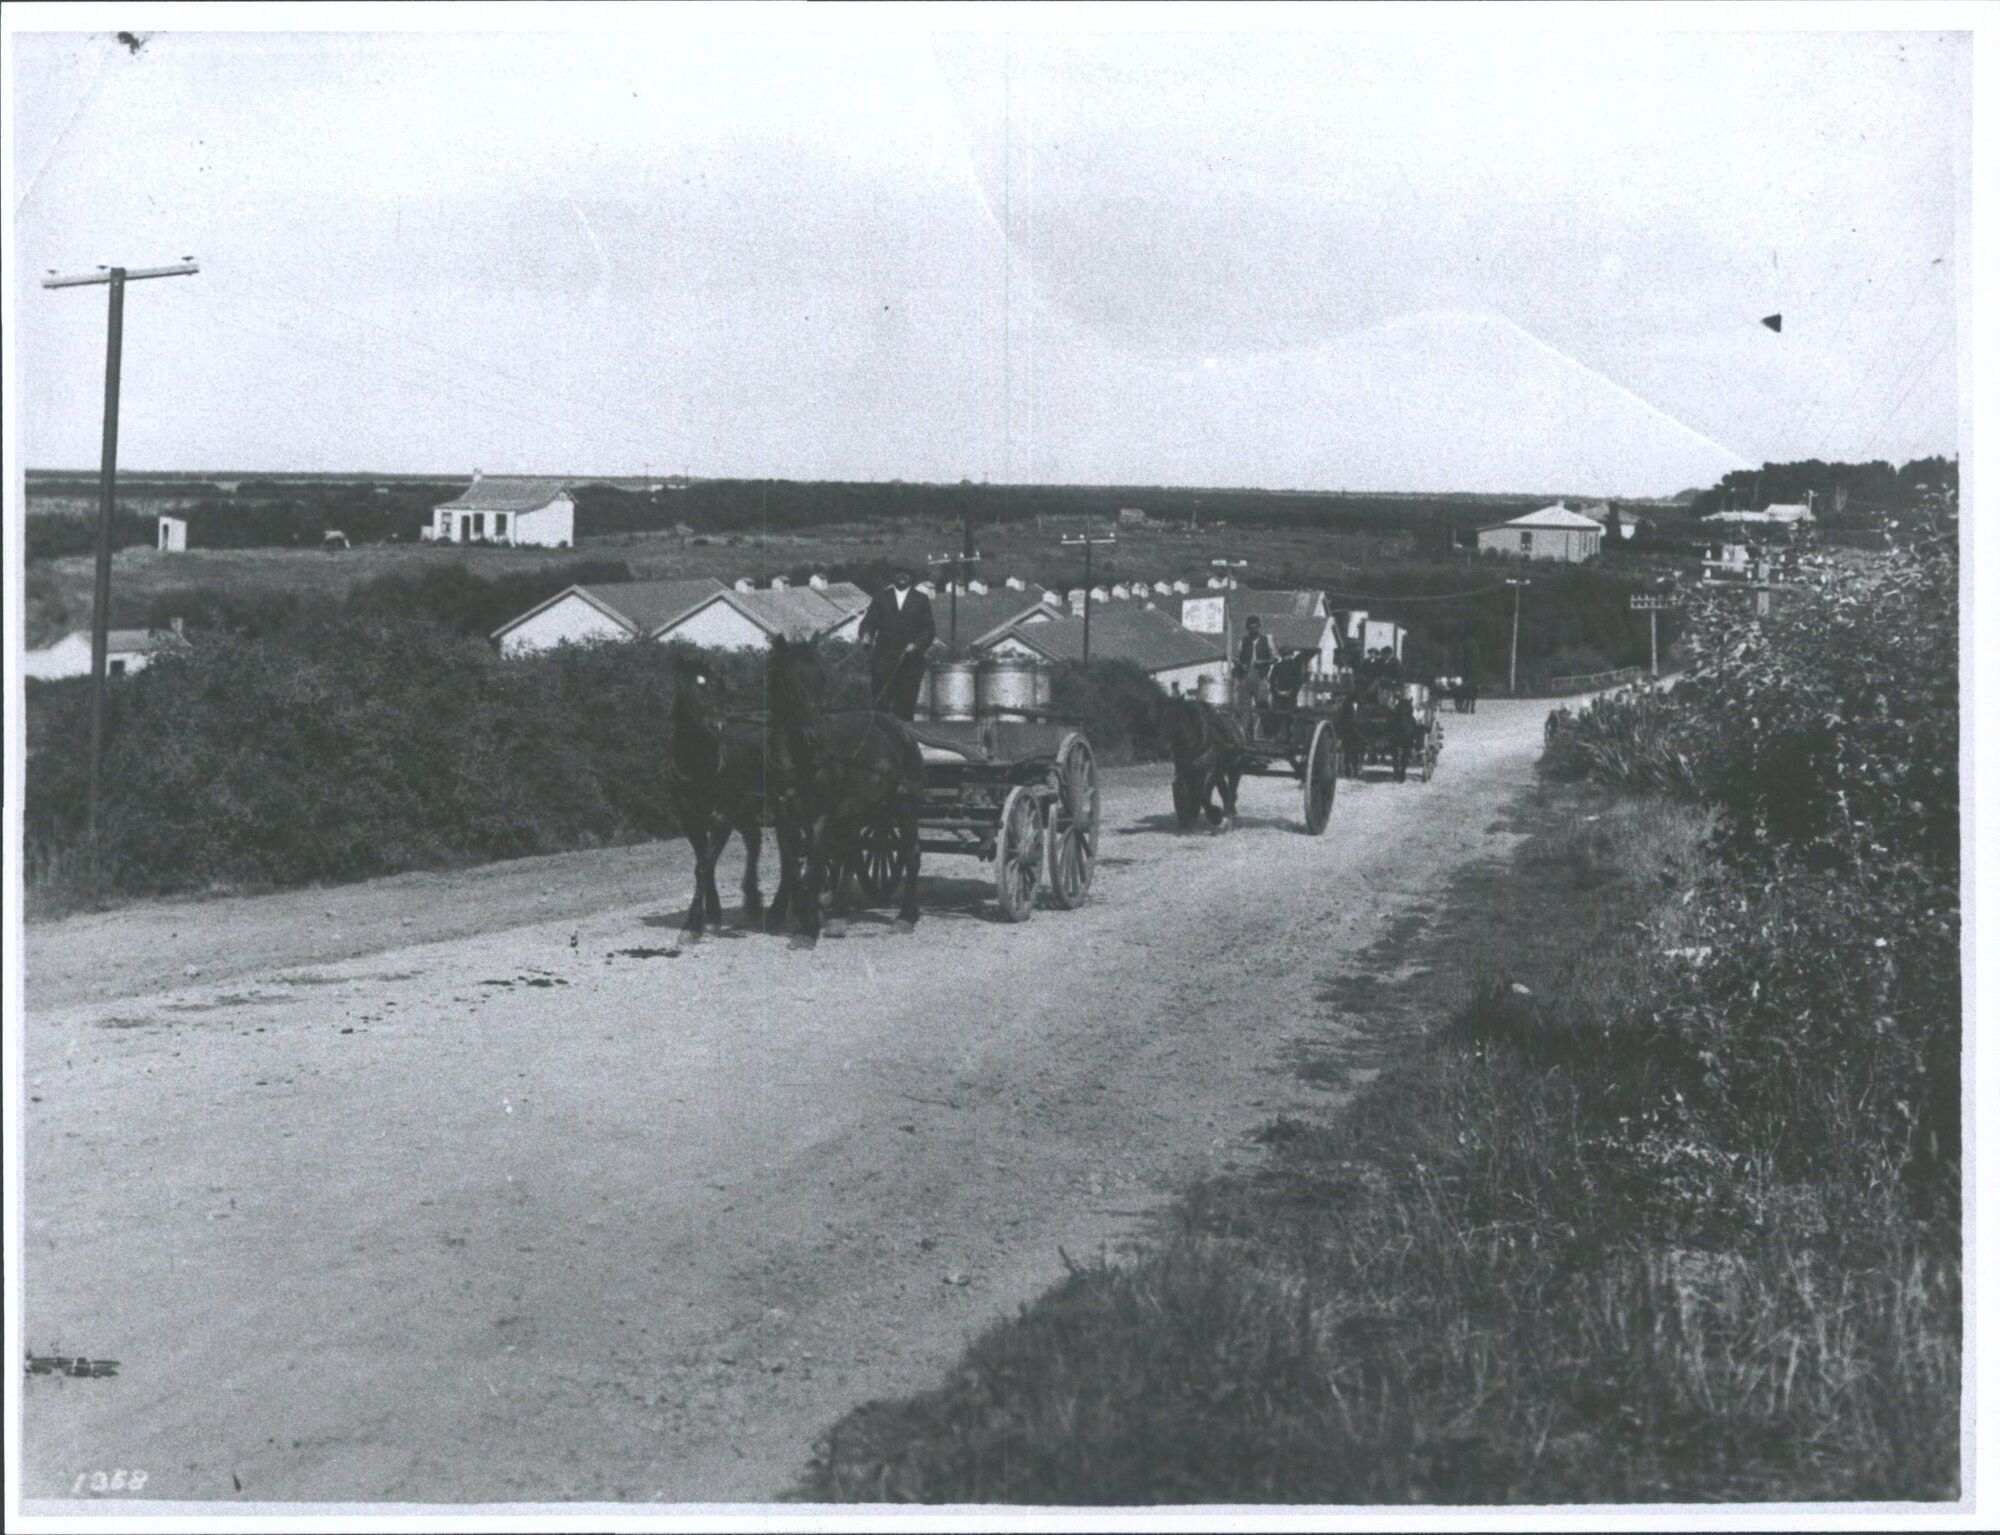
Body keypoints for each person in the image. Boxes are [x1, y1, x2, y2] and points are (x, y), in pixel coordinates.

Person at [857, 565, 936, 722]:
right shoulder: (881, 597)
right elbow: (869, 622)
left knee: (905, 710)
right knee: (880, 710)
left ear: (911, 577)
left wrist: (916, 645)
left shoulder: (920, 599)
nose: (902, 575)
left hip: (910, 665)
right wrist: (866, 635)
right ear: (893, 575)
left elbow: (928, 629)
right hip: (882, 664)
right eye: (899, 572)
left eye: (906, 572)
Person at [1235, 616, 1279, 736]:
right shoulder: (1242, 642)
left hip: (1261, 677)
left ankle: (1269, 734)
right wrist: (1242, 664)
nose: (1254, 630)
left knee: (1262, 706)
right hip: (1246, 677)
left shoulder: (1267, 640)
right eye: (1251, 628)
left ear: (1259, 627)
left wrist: (1263, 662)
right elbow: (1237, 658)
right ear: (1247, 629)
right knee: (1245, 708)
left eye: (1256, 628)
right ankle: (1246, 736)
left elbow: (1276, 658)